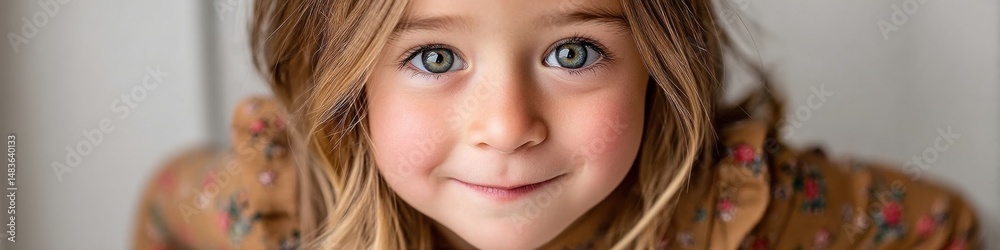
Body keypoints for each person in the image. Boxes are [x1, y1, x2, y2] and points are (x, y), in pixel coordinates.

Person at [133, 0, 981, 249]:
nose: (507, 127)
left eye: (573, 54)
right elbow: (168, 207)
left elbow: (943, 227)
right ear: (343, 80)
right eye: (434, 59)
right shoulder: (276, 206)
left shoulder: (739, 210)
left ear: (659, 58)